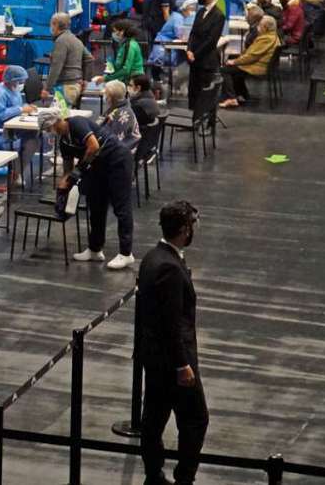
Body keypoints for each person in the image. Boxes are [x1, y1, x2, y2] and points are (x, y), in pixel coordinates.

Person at [138, 201, 208, 485]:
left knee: (153, 418)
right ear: (183, 230)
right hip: (173, 362)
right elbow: (172, 324)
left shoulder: (152, 258)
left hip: (153, 358)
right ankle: (184, 478)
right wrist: (182, 365)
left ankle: (153, 473)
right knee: (195, 419)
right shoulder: (170, 269)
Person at [38, 107, 135, 270]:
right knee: (96, 205)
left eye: (48, 128)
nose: (49, 132)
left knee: (121, 207)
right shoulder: (63, 141)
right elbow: (68, 168)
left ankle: (126, 253)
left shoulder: (76, 123)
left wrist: (78, 171)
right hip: (98, 166)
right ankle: (95, 249)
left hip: (117, 160)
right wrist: (64, 184)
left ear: (55, 122)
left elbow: (93, 146)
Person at [219, 15, 279, 108]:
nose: (258, 27)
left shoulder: (266, 39)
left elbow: (252, 56)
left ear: (265, 27)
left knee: (224, 70)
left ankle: (231, 98)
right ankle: (242, 94)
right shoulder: (271, 36)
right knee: (234, 71)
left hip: (257, 66)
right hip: (259, 64)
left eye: (260, 25)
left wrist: (235, 61)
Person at [186, 0, 224, 110]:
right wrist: (189, 50)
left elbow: (211, 40)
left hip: (206, 60)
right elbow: (193, 33)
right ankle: (191, 119)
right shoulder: (200, 11)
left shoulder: (218, 16)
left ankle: (203, 121)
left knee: (204, 94)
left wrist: (195, 54)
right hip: (194, 59)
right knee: (193, 91)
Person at [43, 12, 90, 106]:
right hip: (75, 85)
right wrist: (85, 79)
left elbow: (56, 67)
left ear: (55, 24)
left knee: (55, 118)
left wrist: (46, 89)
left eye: (51, 23)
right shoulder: (75, 39)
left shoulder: (61, 41)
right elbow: (89, 58)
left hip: (66, 87)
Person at [148, 0, 197, 82]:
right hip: (163, 46)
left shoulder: (178, 17)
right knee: (159, 69)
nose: (191, 11)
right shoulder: (178, 18)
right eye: (190, 8)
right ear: (183, 8)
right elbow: (180, 34)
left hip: (166, 45)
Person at [93, 20, 144, 85]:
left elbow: (125, 70)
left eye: (115, 31)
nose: (113, 34)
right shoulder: (124, 45)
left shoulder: (129, 46)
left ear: (122, 32)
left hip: (133, 81)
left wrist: (106, 78)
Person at [101, 80, 140, 151]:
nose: (104, 95)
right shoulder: (120, 107)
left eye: (105, 93)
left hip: (120, 154)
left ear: (111, 97)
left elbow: (113, 141)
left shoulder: (122, 114)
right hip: (122, 149)